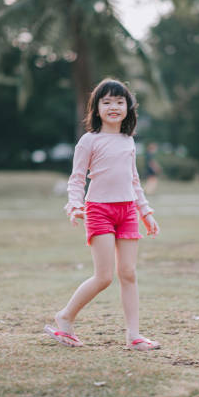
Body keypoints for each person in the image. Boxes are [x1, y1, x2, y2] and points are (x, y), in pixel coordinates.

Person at [44, 78, 161, 351]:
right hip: (99, 210)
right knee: (104, 276)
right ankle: (65, 317)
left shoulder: (128, 141)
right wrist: (74, 205)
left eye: (119, 102)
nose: (113, 107)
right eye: (106, 102)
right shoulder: (89, 140)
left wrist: (146, 213)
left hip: (128, 210)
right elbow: (76, 179)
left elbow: (134, 181)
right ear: (96, 109)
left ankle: (134, 336)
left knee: (129, 273)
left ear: (128, 108)